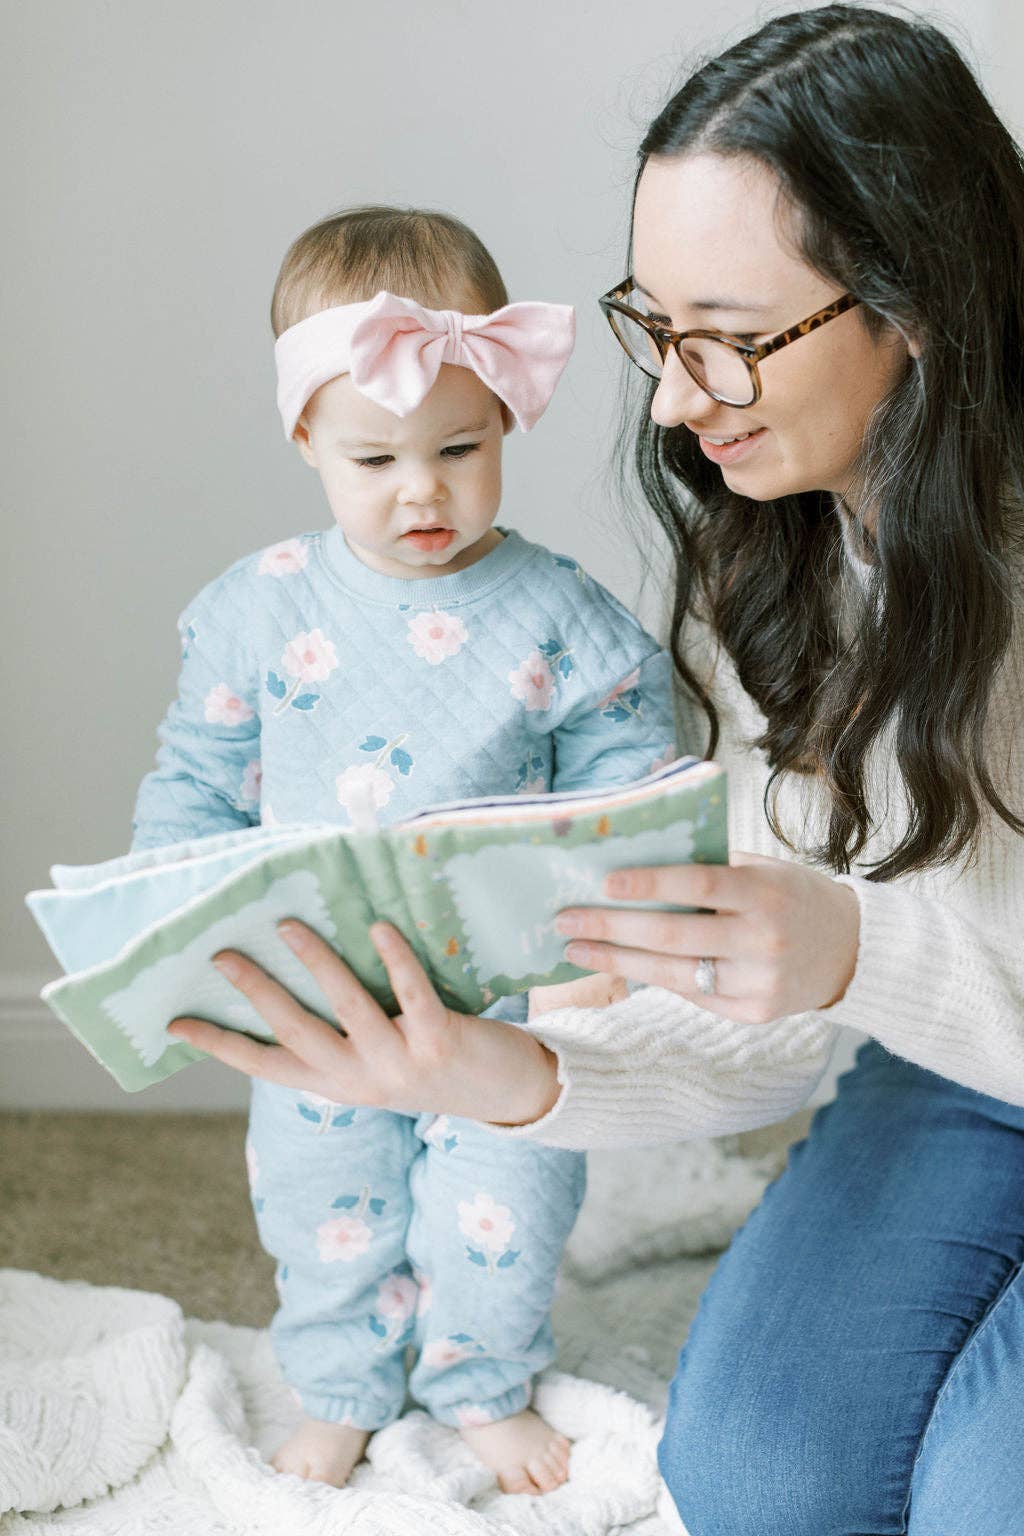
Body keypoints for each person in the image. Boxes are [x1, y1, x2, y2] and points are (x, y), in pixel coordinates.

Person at [167, 7, 1024, 1533]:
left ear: (920, 304)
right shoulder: (779, 564)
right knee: (760, 1490)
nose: (679, 403)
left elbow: (852, 960)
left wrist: (859, 949)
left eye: (734, 337)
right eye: (656, 324)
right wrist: (499, 1073)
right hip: (969, 1073)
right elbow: (776, 1007)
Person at [131, 205, 678, 1494]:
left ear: (505, 421)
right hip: (322, 994)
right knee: (325, 1199)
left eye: (459, 446)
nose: (421, 488)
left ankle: (483, 1380)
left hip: (501, 997)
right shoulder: (256, 610)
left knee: (509, 1197)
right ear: (309, 435)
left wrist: (599, 941)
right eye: (375, 458)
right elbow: (196, 785)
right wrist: (173, 917)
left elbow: (627, 781)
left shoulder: (562, 616)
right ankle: (341, 1383)